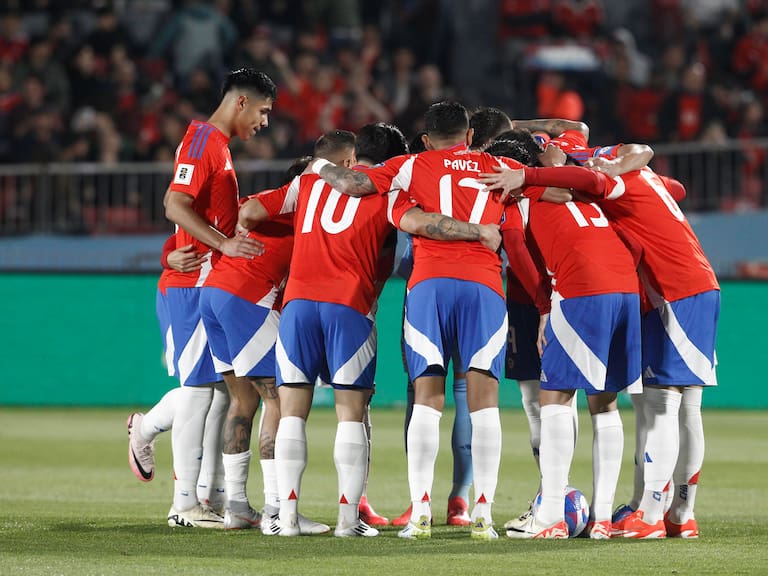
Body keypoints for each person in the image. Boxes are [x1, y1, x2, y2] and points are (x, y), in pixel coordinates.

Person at [240, 122, 501, 538]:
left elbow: (251, 212)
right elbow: (406, 237)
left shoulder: (307, 180)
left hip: (297, 304)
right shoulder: (389, 187)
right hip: (350, 306)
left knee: (291, 411)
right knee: (350, 414)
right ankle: (348, 520)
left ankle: (285, 519)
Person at [309, 101, 531, 540]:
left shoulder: (409, 166)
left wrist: (317, 165)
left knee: (427, 398)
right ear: (469, 135)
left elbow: (352, 184)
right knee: (484, 399)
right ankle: (482, 515)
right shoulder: (499, 165)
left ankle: (421, 513)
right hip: (485, 286)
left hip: (428, 287)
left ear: (427, 139)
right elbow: (554, 175)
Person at [482, 128, 719, 539]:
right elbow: (672, 185)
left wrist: (535, 182)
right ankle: (653, 514)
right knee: (644, 403)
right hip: (646, 290)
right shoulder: (619, 179)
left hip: (665, 289)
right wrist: (602, 176)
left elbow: (524, 242)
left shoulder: (589, 181)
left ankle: (619, 514)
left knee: (654, 402)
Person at [127, 68, 275, 528]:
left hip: (206, 283)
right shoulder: (202, 141)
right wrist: (223, 244)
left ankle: (204, 496)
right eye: (264, 112)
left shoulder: (218, 147)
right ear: (242, 103)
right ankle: (182, 504)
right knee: (197, 393)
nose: (265, 123)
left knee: (212, 393)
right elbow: (174, 204)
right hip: (190, 287)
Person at [482, 138, 642, 539]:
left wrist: (544, 307)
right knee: (604, 402)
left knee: (555, 395)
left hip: (581, 289)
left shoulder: (520, 195)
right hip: (625, 286)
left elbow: (516, 249)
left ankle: (552, 513)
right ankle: (602, 519)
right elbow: (636, 241)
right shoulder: (581, 191)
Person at [198, 154, 327, 534]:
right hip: (246, 297)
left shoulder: (266, 203)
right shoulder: (294, 207)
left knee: (243, 400)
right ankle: (275, 509)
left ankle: (237, 506)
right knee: (280, 400)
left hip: (215, 292)